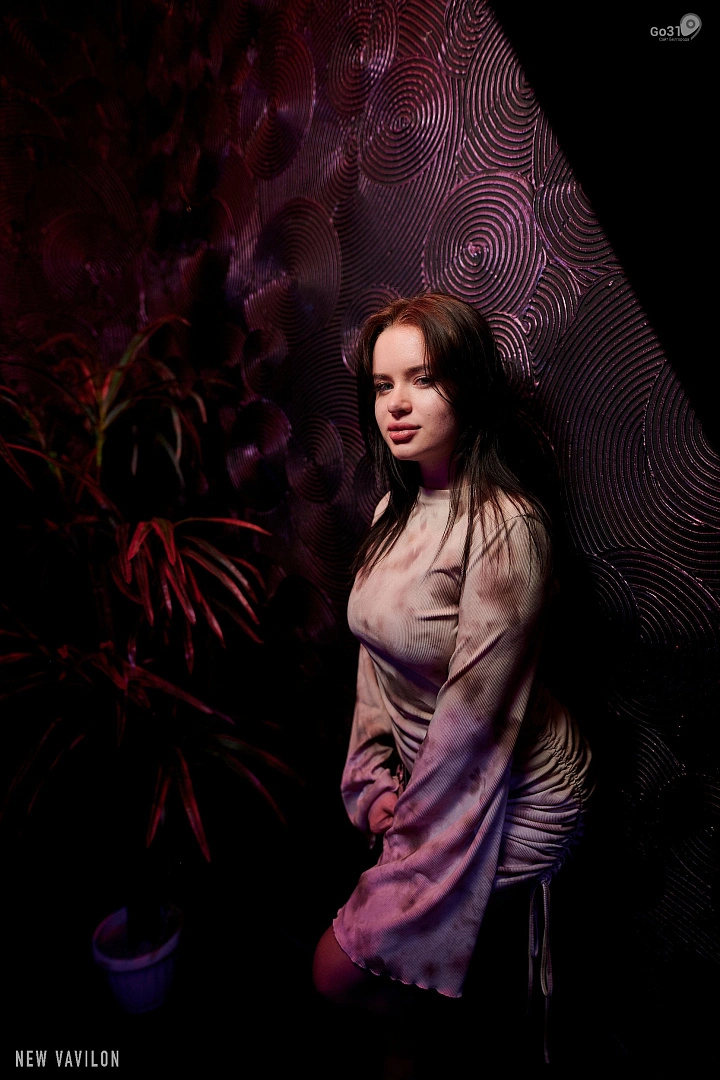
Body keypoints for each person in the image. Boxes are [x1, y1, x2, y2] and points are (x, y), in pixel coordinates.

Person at [313, 292, 592, 1027]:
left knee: (335, 973)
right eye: (383, 385)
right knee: (403, 1006)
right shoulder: (392, 510)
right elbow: (374, 660)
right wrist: (370, 781)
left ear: (467, 384)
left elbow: (475, 718)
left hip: (517, 788)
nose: (397, 405)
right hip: (431, 779)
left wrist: (408, 835)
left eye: (423, 379)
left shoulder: (507, 527)